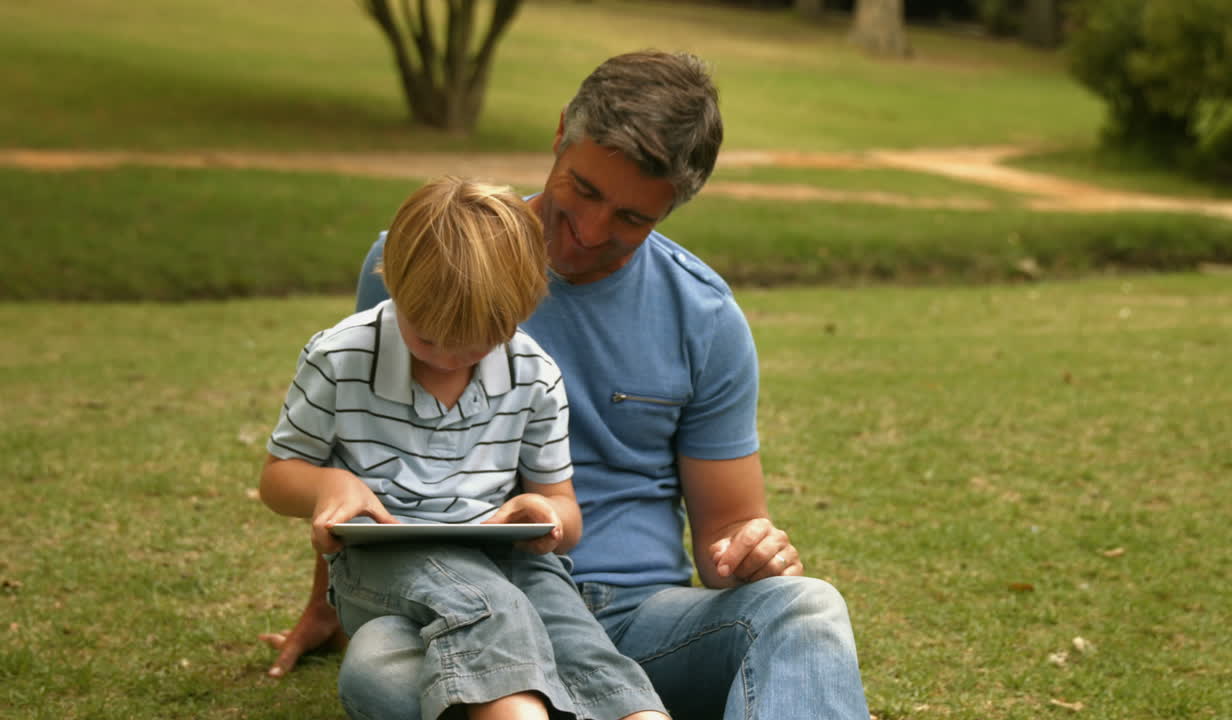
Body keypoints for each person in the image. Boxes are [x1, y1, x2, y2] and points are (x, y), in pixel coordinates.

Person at [261, 50, 872, 720]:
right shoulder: (425, 259)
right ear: (559, 136)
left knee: (808, 608)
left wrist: (750, 550)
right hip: (452, 606)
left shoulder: (706, 317)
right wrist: (324, 604)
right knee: (378, 667)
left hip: (636, 623)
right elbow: (363, 446)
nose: (586, 233)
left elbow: (728, 529)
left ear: (670, 209)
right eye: (583, 190)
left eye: (632, 220)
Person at [258, 176, 669, 720]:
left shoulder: (534, 373)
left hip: (505, 553)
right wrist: (328, 483)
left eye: (478, 341)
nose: (451, 358)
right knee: (487, 604)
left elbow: (564, 512)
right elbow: (277, 479)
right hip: (385, 556)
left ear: (522, 309)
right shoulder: (340, 357)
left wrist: (546, 515)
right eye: (427, 336)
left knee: (576, 633)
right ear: (395, 284)